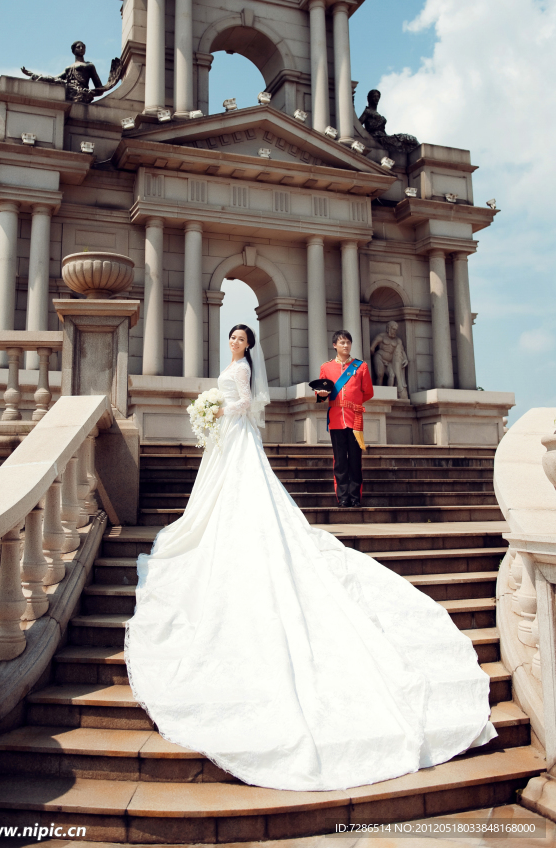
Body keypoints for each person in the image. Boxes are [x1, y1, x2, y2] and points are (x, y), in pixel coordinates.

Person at [124, 323, 495, 793]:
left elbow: (247, 401)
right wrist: (216, 411)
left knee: (333, 469)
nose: (236, 340)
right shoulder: (284, 367)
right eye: (233, 335)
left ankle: (349, 499)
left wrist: (214, 408)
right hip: (242, 436)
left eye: (241, 336)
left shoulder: (254, 369)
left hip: (272, 427)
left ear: (249, 344)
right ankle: (337, 499)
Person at [315, 330, 373, 508]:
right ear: (334, 345)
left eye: (348, 342)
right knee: (340, 460)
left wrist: (351, 403)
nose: (345, 345)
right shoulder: (326, 367)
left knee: (355, 459)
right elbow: (322, 395)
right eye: (342, 343)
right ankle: (343, 497)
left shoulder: (360, 366)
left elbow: (368, 392)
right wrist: (321, 395)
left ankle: (355, 497)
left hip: (354, 418)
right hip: (336, 420)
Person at [21, 41, 121, 103]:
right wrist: (34, 75)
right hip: (70, 93)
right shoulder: (68, 69)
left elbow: (99, 87)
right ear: (73, 51)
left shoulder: (89, 66)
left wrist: (94, 91)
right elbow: (54, 79)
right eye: (79, 47)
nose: (81, 49)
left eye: (83, 47)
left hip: (83, 95)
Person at [371, 320, 409, 399]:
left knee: (392, 375)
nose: (394, 331)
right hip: (380, 357)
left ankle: (390, 394)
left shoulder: (398, 340)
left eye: (395, 329)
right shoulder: (381, 336)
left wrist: (405, 359)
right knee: (380, 375)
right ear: (388, 328)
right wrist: (374, 355)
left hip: (390, 362)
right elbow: (372, 348)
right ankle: (379, 394)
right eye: (393, 329)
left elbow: (401, 351)